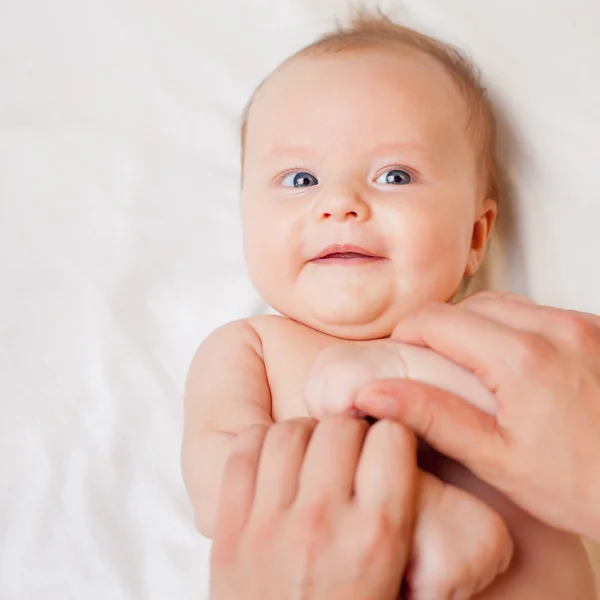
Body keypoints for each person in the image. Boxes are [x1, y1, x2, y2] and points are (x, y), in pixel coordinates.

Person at [181, 10, 596, 599]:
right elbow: (218, 486)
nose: (340, 204)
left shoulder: (497, 335)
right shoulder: (251, 349)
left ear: (475, 237)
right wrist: (427, 508)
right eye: (300, 180)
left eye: (396, 175)